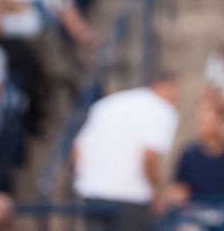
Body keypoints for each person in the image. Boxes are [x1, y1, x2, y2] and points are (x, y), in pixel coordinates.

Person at [71, 72, 179, 231]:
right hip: (131, 201)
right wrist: (157, 192)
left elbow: (77, 151)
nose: (176, 100)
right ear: (168, 87)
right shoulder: (161, 109)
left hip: (93, 195)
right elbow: (149, 157)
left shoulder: (106, 104)